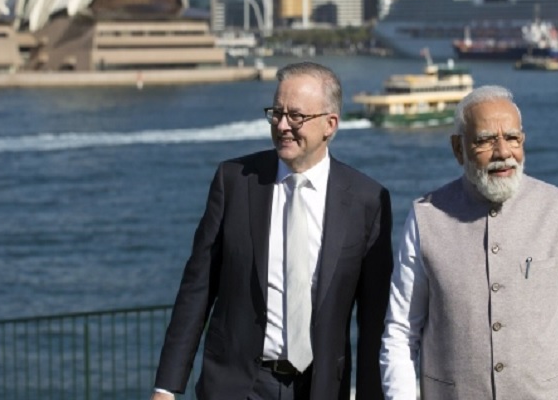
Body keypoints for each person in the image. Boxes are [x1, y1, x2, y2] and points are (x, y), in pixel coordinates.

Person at [152, 61, 393, 400]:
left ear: (330, 124)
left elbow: (374, 319)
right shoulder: (234, 180)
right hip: (237, 387)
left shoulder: (368, 200)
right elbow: (197, 288)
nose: (282, 126)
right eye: (276, 113)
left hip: (320, 388)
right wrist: (166, 386)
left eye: (296, 116)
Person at [380, 85, 558, 399]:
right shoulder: (426, 218)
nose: (503, 152)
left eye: (512, 138)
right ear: (458, 149)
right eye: (485, 140)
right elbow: (400, 331)